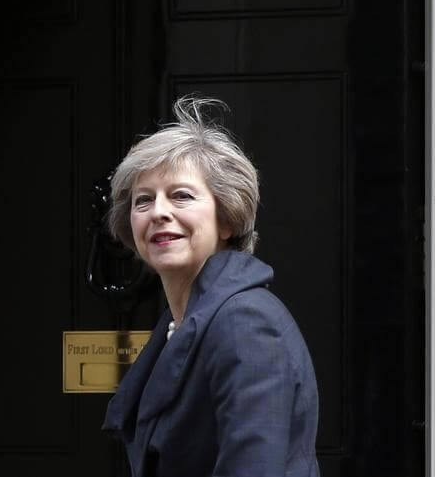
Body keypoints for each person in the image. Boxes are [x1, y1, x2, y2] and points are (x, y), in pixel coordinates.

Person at [102, 96, 320, 477]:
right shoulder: (182, 321)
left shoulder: (245, 322)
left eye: (181, 195)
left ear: (227, 219)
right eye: (143, 200)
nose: (159, 212)